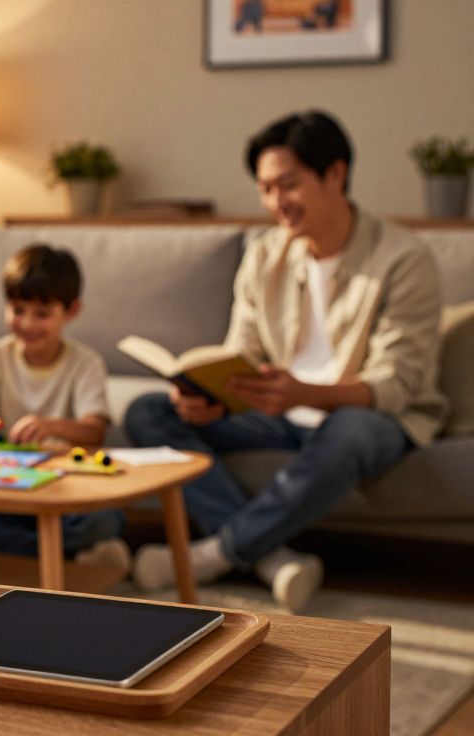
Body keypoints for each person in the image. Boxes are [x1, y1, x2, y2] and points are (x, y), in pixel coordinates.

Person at [126, 111, 446, 611]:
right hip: (277, 411)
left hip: (369, 417)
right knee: (149, 412)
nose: (277, 203)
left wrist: (307, 394)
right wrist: (213, 399)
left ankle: (216, 553)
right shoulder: (264, 255)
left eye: (289, 185)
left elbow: (394, 385)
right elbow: (242, 354)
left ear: (335, 174)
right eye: (266, 188)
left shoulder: (404, 259)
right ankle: (270, 556)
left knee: (352, 430)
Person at [0, 244, 128, 570]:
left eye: (42, 314)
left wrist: (52, 426)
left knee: (107, 519)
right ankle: (62, 558)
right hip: (3, 489)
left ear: (71, 311)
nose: (27, 323)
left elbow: (94, 431)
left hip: (61, 490)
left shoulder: (86, 363)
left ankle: (22, 557)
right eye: (17, 309)